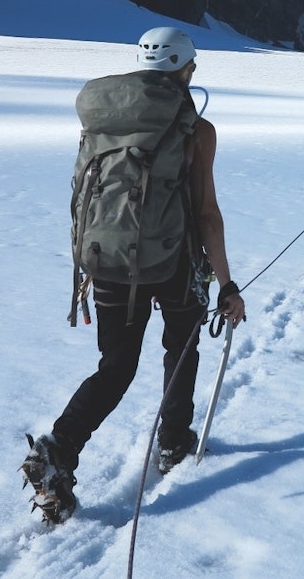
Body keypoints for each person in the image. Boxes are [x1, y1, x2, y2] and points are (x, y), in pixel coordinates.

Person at [21, 27, 247, 525]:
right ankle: (172, 443)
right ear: (186, 67)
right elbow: (207, 213)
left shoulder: (103, 122)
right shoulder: (195, 129)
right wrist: (227, 283)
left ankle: (58, 449)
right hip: (175, 262)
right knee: (181, 349)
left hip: (107, 262)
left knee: (116, 366)